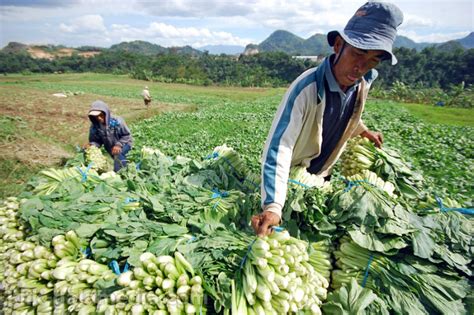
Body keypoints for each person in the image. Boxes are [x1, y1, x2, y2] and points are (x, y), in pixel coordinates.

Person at [252, 2, 403, 236]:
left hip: (321, 179)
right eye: (358, 53)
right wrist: (273, 206)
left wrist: (361, 130)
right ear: (338, 45)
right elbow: (279, 146)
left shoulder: (363, 82)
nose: (360, 67)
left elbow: (344, 113)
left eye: (373, 59)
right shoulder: (307, 87)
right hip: (293, 179)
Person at [87, 100, 133, 172]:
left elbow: (126, 135)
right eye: (96, 116)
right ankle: (127, 173)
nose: (99, 118)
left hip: (125, 144)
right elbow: (96, 141)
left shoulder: (117, 121)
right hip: (110, 148)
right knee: (121, 162)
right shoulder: (95, 126)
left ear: (106, 113)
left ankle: (120, 177)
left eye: (101, 115)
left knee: (118, 159)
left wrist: (118, 145)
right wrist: (92, 145)